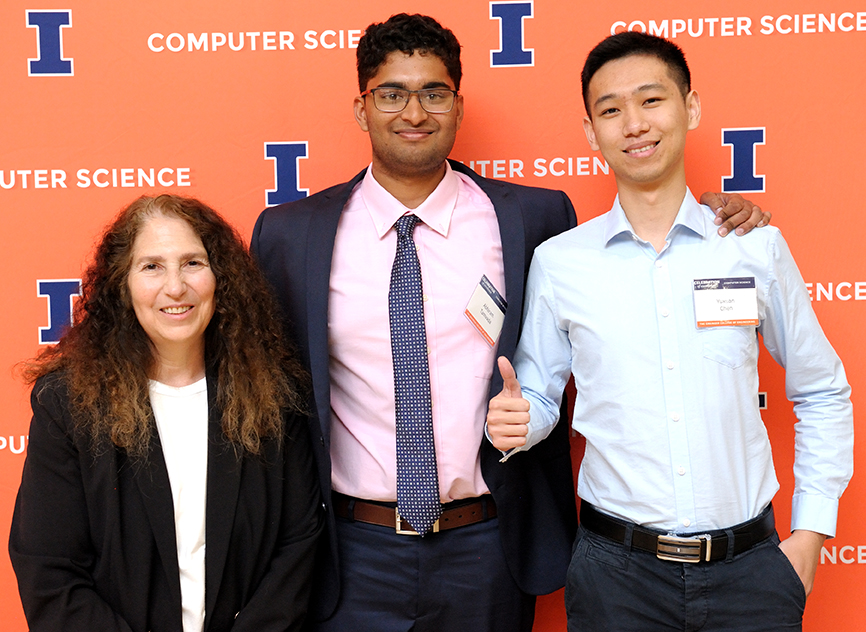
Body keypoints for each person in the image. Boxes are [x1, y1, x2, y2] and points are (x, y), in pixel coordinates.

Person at [252, 14, 769, 632]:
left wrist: (717, 214)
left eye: (434, 93)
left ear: (459, 106)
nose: (414, 112)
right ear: (363, 109)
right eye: (391, 94)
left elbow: (633, 250)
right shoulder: (291, 235)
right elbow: (265, 393)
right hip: (351, 550)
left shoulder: (534, 220)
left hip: (489, 548)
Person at [487, 31, 854, 631]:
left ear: (691, 108)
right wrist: (518, 419)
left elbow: (821, 390)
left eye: (651, 100)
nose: (633, 123)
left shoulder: (752, 245)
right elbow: (539, 396)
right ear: (590, 132)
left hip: (753, 573)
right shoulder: (560, 262)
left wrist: (809, 536)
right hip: (615, 579)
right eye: (611, 109)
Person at [9, 194, 323, 632]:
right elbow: (49, 569)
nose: (175, 287)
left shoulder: (272, 397)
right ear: (122, 284)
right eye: (152, 266)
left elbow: (298, 548)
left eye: (192, 263)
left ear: (221, 278)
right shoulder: (68, 405)